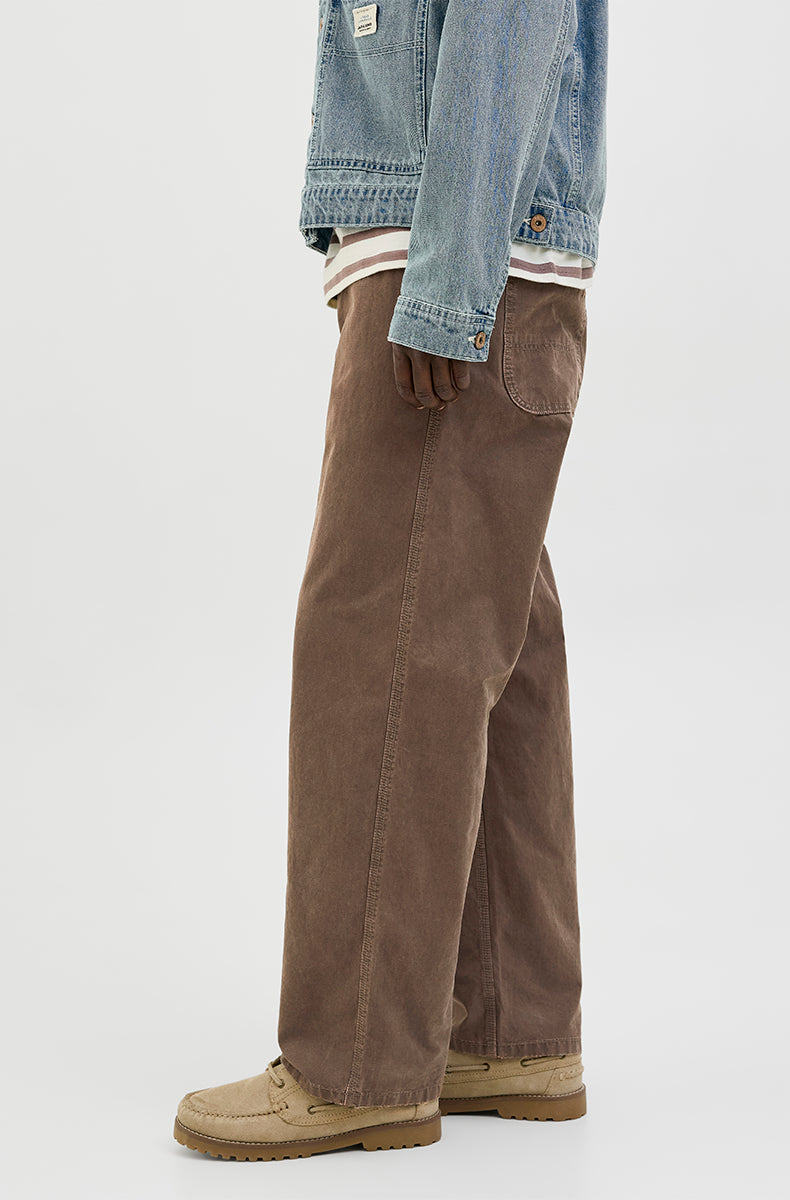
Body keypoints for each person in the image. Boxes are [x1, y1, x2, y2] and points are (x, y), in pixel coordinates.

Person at [174, 0, 608, 1161]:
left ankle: (354, 1061)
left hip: (454, 253)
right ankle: (507, 1029)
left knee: (378, 643)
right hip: (475, 246)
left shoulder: (450, 270)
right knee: (489, 644)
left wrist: (449, 282)